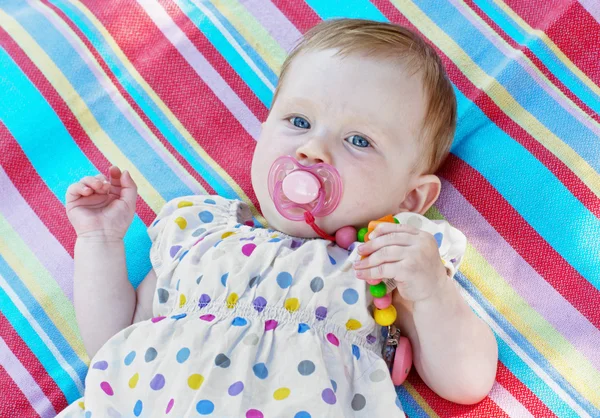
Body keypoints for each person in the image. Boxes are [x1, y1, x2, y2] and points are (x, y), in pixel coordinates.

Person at [58, 19, 497, 418]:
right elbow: (110, 346)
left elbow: (466, 383)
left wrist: (433, 292)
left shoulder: (383, 265)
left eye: (359, 140)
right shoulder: (201, 236)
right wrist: (99, 241)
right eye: (299, 120)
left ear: (410, 198)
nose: (313, 150)